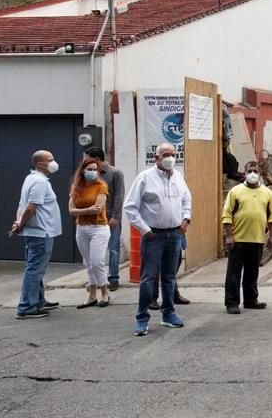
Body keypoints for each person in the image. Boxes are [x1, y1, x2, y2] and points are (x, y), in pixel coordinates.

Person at [124, 143, 192, 336]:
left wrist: (186, 219)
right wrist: (145, 230)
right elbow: (130, 206)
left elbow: (187, 198)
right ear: (157, 158)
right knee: (148, 278)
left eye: (173, 154)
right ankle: (142, 318)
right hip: (154, 235)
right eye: (166, 155)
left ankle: (169, 313)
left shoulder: (178, 177)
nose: (170, 158)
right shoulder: (145, 178)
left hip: (175, 234)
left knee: (169, 277)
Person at [8, 150, 62, 319]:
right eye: (50, 159)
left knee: (36, 268)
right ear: (40, 164)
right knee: (34, 270)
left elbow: (21, 205)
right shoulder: (40, 182)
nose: (54, 162)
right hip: (40, 232)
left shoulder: (31, 179)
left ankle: (38, 300)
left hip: (37, 231)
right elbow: (31, 207)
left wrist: (18, 223)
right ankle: (26, 307)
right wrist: (20, 224)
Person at [222, 161, 272, 314]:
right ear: (244, 173)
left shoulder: (268, 193)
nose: (253, 174)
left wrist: (271, 237)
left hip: (257, 240)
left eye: (255, 171)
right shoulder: (235, 192)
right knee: (234, 273)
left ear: (259, 174)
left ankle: (251, 300)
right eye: (249, 171)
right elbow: (227, 215)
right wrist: (229, 236)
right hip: (238, 240)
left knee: (252, 272)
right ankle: (232, 302)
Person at [68, 156, 111, 308]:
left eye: (95, 170)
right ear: (83, 171)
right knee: (89, 263)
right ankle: (92, 294)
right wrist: (86, 210)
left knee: (97, 261)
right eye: (89, 169)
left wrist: (81, 211)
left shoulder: (101, 186)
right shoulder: (76, 187)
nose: (92, 172)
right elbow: (71, 210)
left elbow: (98, 209)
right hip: (82, 228)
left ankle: (105, 292)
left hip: (99, 228)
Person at [85, 148, 125, 291]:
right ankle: (95, 279)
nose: (85, 162)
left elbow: (119, 196)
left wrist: (115, 217)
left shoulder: (115, 173)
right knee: (93, 250)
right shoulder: (89, 174)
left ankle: (113, 278)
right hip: (93, 217)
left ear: (96, 159)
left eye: (88, 159)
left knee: (113, 248)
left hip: (109, 216)